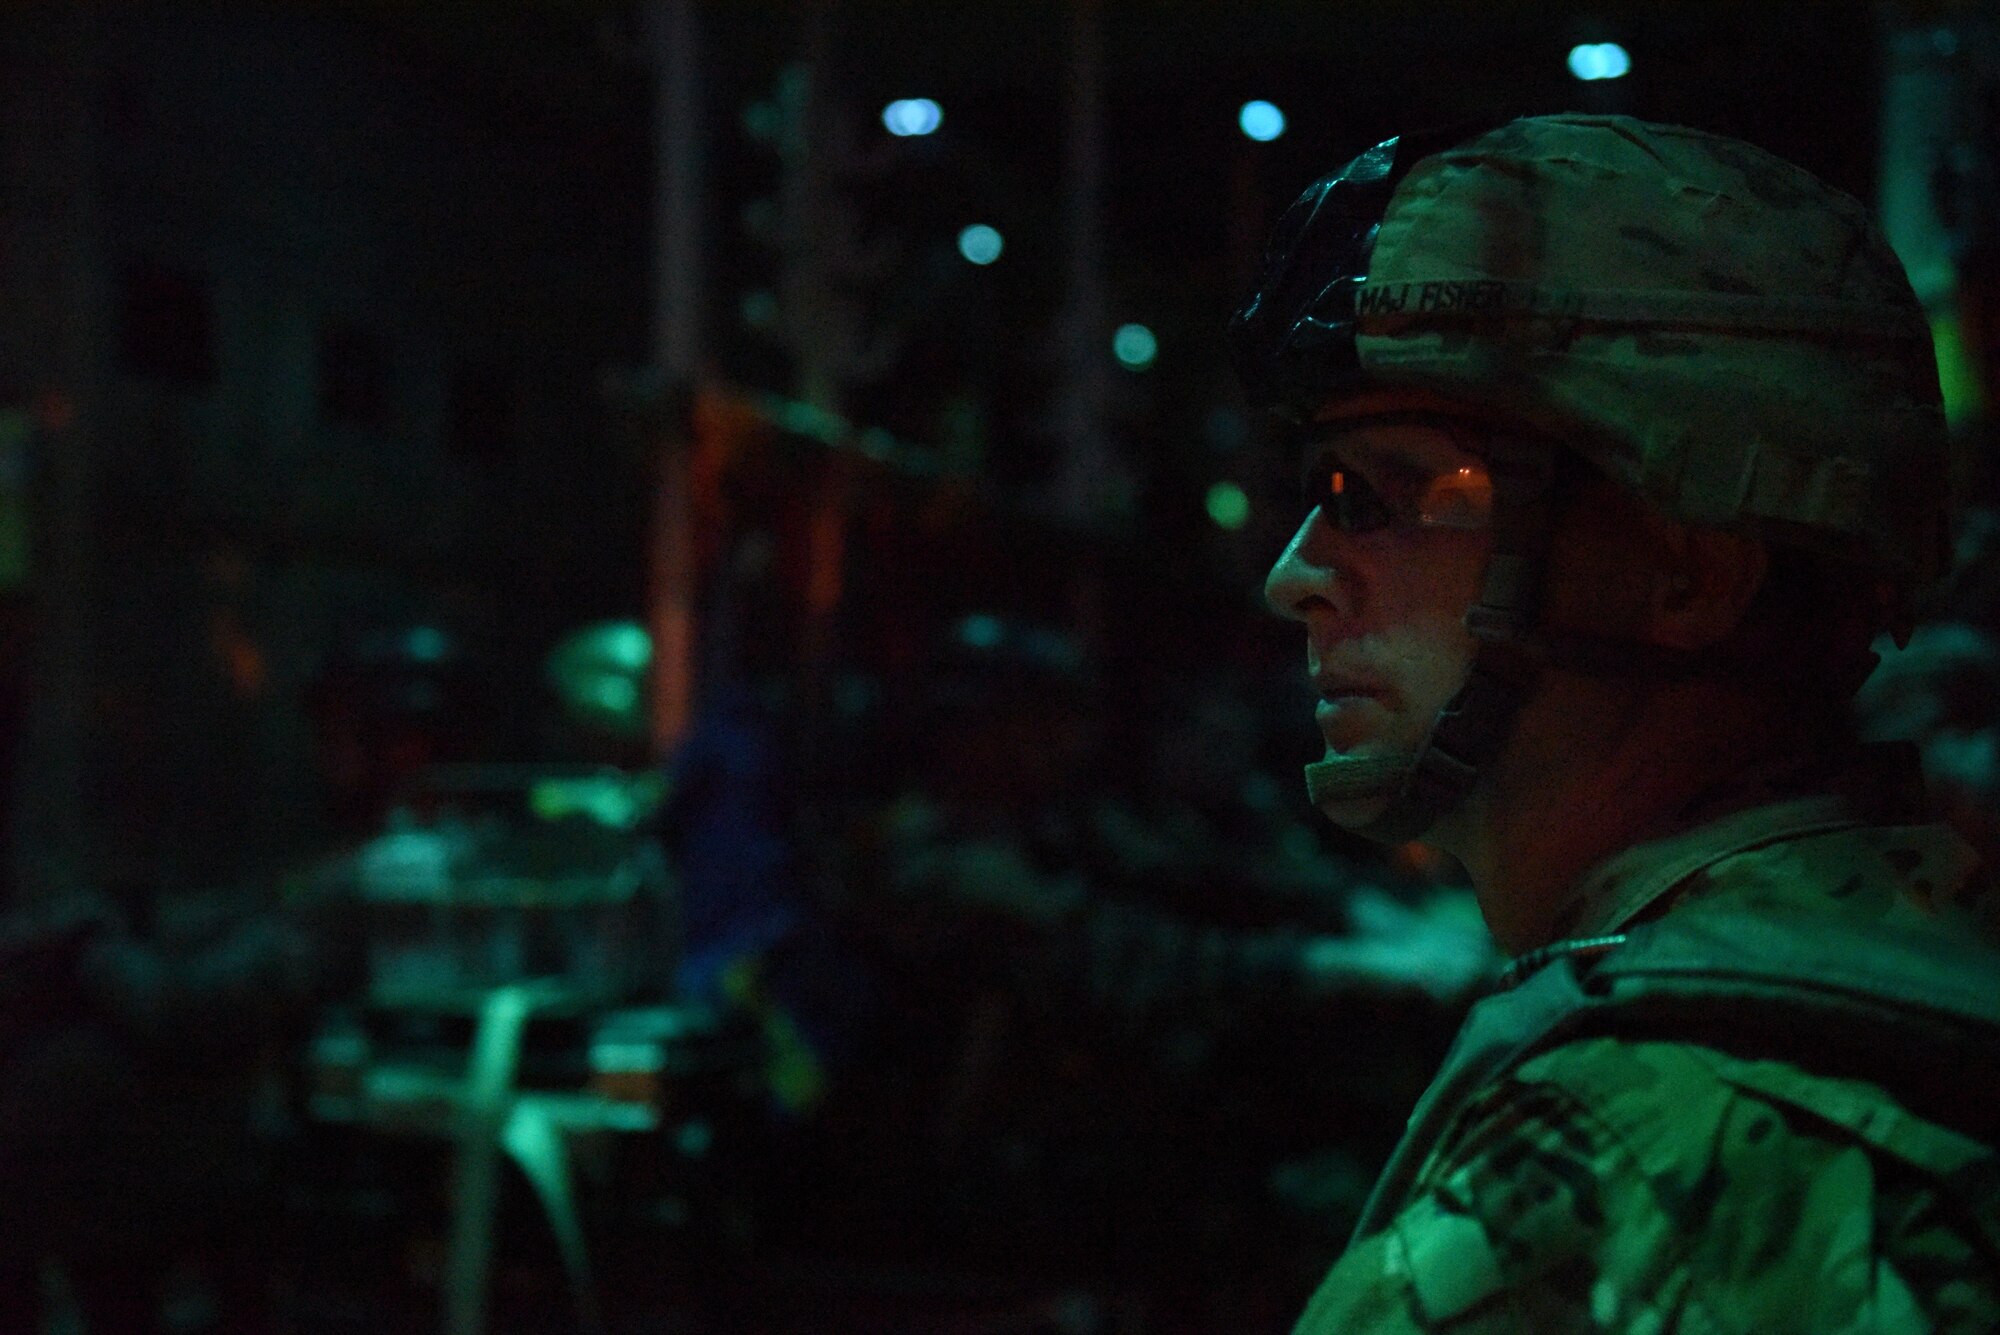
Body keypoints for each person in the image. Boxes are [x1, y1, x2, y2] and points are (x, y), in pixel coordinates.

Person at [1231, 113, 2000, 1330]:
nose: (1297, 575)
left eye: (1393, 494)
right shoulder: (1917, 949)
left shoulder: (1623, 1151)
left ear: (1686, 573)